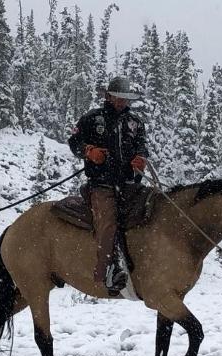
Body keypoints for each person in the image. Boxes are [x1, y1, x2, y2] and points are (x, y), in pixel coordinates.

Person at [67, 76, 148, 294]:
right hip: (101, 184)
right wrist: (88, 151)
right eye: (118, 98)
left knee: (154, 211)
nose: (122, 102)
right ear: (108, 96)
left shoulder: (135, 122)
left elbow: (142, 147)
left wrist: (141, 158)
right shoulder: (92, 119)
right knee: (108, 223)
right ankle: (110, 271)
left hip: (130, 184)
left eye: (125, 99)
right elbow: (74, 142)